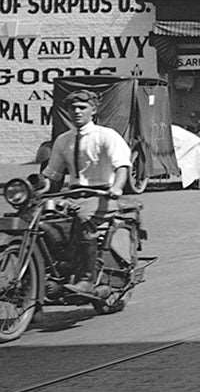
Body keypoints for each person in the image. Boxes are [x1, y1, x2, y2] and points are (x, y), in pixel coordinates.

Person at [42, 89, 133, 297]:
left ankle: (86, 279)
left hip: (101, 195)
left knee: (83, 220)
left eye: (82, 107)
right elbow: (53, 175)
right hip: (73, 195)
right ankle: (46, 276)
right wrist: (37, 189)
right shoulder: (63, 140)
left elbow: (122, 166)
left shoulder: (106, 136)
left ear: (93, 110)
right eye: (72, 108)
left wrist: (117, 187)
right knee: (42, 223)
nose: (77, 111)